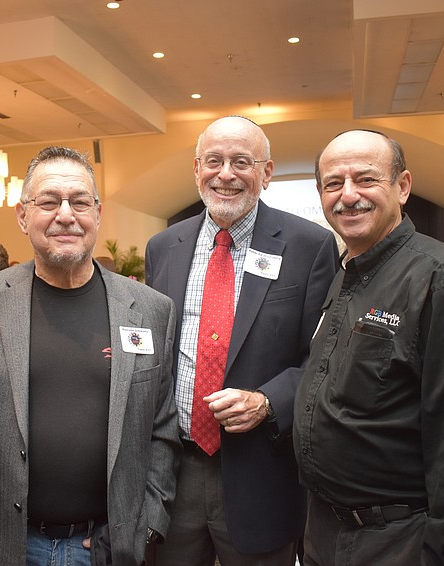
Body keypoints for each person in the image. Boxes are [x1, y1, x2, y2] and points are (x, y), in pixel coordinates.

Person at [294, 129, 444, 565]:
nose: (348, 195)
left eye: (365, 179)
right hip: (326, 532)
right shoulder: (347, 273)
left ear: (403, 186)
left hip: (399, 541)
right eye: (333, 183)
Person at [0, 146, 180, 566]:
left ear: (97, 214)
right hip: (4, 544)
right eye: (48, 201)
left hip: (106, 546)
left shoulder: (150, 309)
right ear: (22, 215)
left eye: (80, 202)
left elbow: (162, 427)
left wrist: (147, 524)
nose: (65, 215)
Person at [145, 115, 339, 565]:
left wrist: (268, 402)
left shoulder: (308, 245)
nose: (226, 174)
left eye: (241, 162)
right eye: (214, 161)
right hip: (175, 471)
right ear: (197, 169)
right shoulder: (163, 247)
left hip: (262, 470)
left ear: (266, 173)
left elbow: (325, 358)